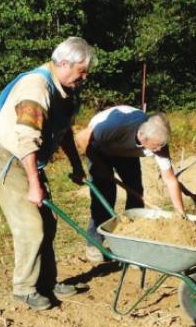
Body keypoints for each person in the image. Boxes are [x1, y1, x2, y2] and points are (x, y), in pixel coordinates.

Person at [0, 36, 92, 310]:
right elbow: (26, 138)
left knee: (49, 221)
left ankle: (46, 282)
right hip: (10, 157)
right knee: (31, 224)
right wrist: (35, 184)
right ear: (64, 63)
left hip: (29, 158)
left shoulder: (64, 91)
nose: (84, 77)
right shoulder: (36, 87)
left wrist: (77, 167)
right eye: (81, 71)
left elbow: (64, 131)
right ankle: (24, 288)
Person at [74, 106, 187, 261]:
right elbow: (81, 138)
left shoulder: (158, 142)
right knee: (105, 195)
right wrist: (101, 166)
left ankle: (132, 240)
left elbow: (170, 180)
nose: (160, 150)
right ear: (142, 138)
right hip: (98, 146)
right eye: (156, 146)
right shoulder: (114, 126)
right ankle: (94, 244)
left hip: (125, 152)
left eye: (161, 146)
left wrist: (180, 214)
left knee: (136, 192)